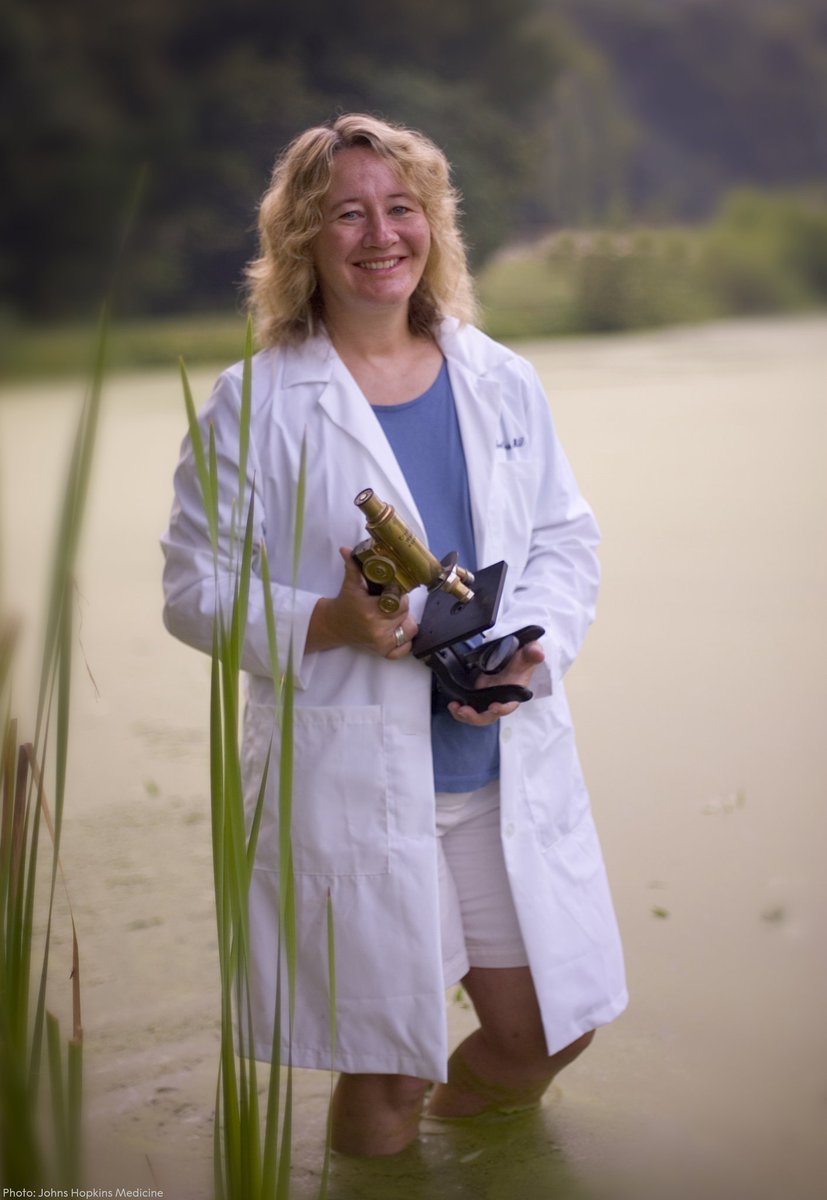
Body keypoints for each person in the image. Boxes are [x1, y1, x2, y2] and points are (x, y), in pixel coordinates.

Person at [161, 113, 627, 1158]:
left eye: (401, 208)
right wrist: (325, 620)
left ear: (432, 226)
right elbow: (192, 588)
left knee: (548, 1030)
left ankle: (469, 1148)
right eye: (347, 215)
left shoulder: (497, 377)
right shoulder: (257, 407)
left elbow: (563, 536)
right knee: (385, 1067)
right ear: (301, 244)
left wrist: (531, 645)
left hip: (492, 763)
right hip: (356, 779)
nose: (380, 234)